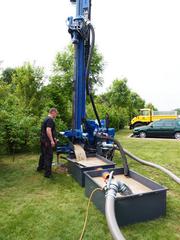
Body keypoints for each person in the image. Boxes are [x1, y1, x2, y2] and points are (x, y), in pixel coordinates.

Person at [37, 108, 58, 178]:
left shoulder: (46, 119)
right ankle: (47, 174)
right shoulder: (50, 120)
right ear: (53, 112)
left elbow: (50, 131)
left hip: (43, 140)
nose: (56, 115)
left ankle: (40, 168)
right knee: (48, 156)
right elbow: (48, 130)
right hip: (47, 141)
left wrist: (54, 138)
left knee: (43, 154)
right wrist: (52, 140)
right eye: (56, 113)